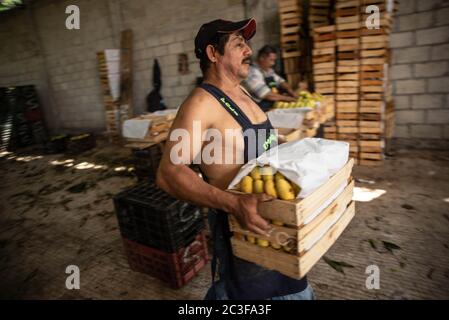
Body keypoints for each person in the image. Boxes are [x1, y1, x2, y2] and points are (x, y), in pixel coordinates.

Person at [156, 18, 314, 300]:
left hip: (278, 224)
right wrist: (233, 203)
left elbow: (261, 141)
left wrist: (296, 152)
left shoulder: (242, 93)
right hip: (245, 231)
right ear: (213, 54)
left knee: (294, 290)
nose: (249, 51)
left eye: (247, 44)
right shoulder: (201, 104)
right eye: (239, 44)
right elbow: (169, 172)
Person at [242, 45, 298, 112]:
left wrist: (291, 91)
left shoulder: (268, 70)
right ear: (262, 58)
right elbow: (267, 95)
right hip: (260, 110)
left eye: (274, 60)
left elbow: (281, 81)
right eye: (271, 60)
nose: (273, 63)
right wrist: (289, 99)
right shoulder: (252, 72)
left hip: (271, 107)